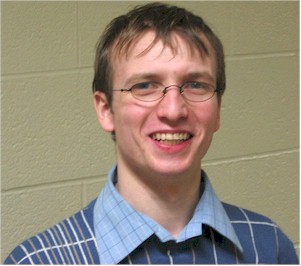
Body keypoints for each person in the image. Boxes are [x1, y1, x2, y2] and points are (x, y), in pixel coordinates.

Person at [4, 2, 298, 264]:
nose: (173, 110)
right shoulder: (40, 261)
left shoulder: (269, 248)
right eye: (144, 86)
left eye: (196, 84)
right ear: (106, 110)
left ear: (218, 109)